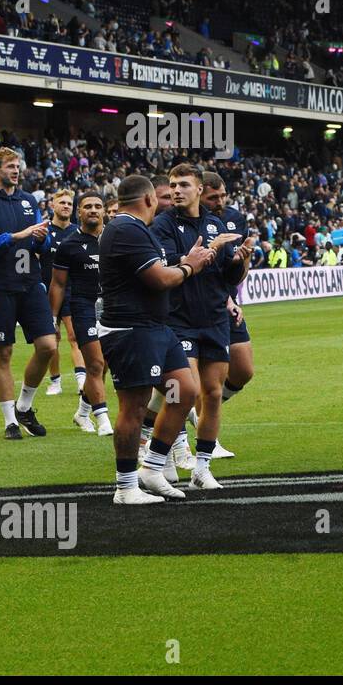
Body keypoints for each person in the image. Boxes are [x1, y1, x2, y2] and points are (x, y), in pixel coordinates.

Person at [98, 175, 216, 504]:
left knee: (185, 391)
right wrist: (190, 267)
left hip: (155, 328)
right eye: (161, 197)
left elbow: (156, 272)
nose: (165, 203)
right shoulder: (126, 229)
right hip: (131, 330)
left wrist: (183, 261)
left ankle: (152, 467)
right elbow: (159, 279)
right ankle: (125, 487)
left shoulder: (133, 230)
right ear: (149, 199)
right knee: (133, 408)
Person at [151, 164, 247, 490]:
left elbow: (228, 277)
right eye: (173, 185)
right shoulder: (162, 225)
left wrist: (241, 261)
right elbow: (165, 265)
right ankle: (164, 454)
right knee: (185, 390)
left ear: (199, 190)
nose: (176, 190)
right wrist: (210, 249)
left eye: (183, 185)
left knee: (214, 394)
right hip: (179, 319)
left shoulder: (215, 223)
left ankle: (201, 468)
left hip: (215, 319)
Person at [0, 147, 53, 440]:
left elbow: (39, 246)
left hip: (31, 284)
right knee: (3, 352)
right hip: (0, 286)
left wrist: (41, 241)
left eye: (17, 166)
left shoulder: (28, 200)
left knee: (48, 346)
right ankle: (10, 421)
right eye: (10, 166)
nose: (16, 170)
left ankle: (24, 406)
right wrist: (17, 236)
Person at [47, 190, 113, 436]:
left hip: (114, 307)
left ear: (104, 210)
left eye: (98, 206)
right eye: (88, 206)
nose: (93, 210)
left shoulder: (115, 238)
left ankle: (82, 413)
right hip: (84, 306)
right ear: (79, 212)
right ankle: (103, 418)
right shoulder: (69, 245)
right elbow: (58, 284)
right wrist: (52, 317)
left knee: (103, 364)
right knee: (95, 364)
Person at [202, 172, 252, 459]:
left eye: (222, 196)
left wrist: (243, 260)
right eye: (213, 198)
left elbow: (234, 270)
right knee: (206, 380)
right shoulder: (191, 223)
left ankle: (202, 415)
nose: (219, 202)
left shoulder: (234, 218)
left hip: (227, 301)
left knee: (243, 369)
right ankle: (205, 435)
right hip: (201, 305)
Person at [40, 189, 85, 398]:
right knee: (52, 339)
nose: (66, 206)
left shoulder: (79, 232)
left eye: (69, 203)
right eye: (62, 202)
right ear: (53, 205)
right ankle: (55, 381)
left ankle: (82, 382)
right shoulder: (43, 231)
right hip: (48, 292)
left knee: (75, 336)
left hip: (73, 290)